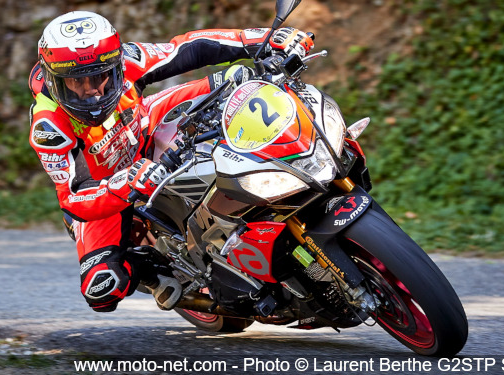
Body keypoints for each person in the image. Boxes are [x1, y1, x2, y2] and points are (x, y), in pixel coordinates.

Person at [28, 10, 314, 313]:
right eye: (76, 83)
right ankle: (155, 275)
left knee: (236, 79)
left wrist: (262, 39)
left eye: (100, 77)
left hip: (145, 128)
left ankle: (290, 161)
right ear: (53, 80)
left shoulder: (128, 58)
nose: (92, 92)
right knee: (102, 287)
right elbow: (73, 198)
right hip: (107, 189)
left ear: (116, 64)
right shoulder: (48, 127)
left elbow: (188, 48)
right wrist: (124, 184)